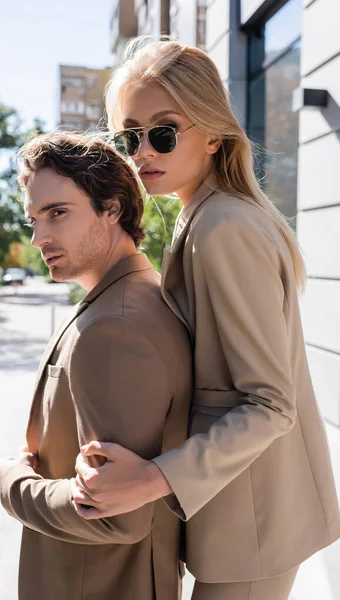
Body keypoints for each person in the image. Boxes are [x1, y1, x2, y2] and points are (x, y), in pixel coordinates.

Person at [72, 39, 340, 600]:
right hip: (247, 521)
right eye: (130, 136)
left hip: (254, 530)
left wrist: (152, 479)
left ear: (214, 133)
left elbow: (270, 404)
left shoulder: (224, 228)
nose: (144, 150)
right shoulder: (207, 216)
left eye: (164, 132)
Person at [0, 132, 192, 600]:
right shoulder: (131, 297)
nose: (39, 237)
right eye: (34, 219)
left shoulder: (116, 326)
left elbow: (115, 513)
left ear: (113, 207)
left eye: (58, 213)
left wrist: (13, 483)